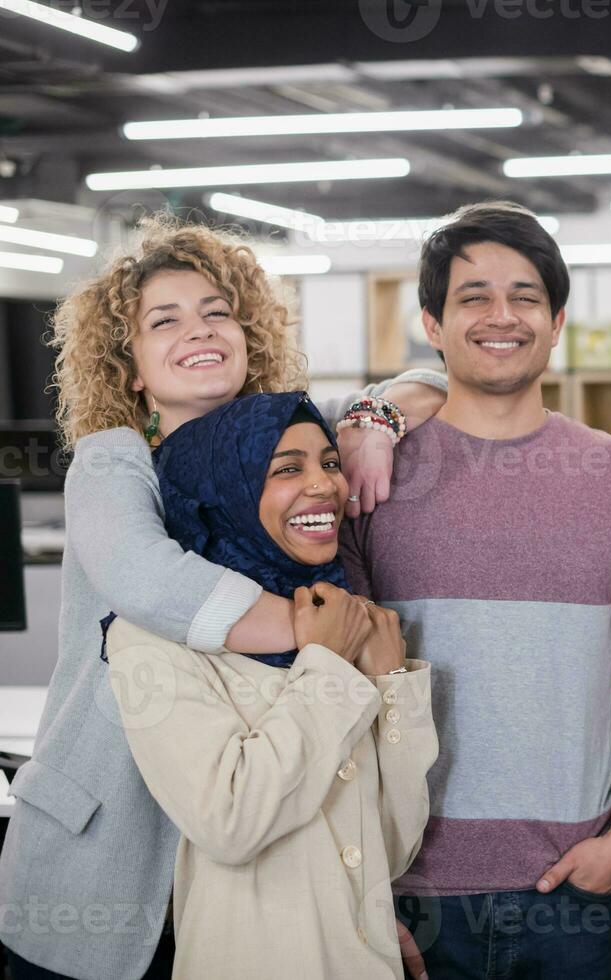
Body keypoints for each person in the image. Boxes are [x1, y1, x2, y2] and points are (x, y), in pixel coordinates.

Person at [0, 216, 443, 980]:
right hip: (108, 849)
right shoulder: (115, 463)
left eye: (216, 312)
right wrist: (325, 634)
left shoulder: (281, 438)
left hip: (250, 864)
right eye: (163, 321)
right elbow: (148, 580)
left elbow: (433, 382)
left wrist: (371, 423)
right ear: (130, 366)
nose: (197, 331)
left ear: (249, 337)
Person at [340, 200, 611, 980]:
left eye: (525, 297)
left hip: (568, 886)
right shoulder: (373, 476)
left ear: (558, 319)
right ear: (431, 323)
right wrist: (357, 884)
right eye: (474, 298)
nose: (503, 317)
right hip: (406, 890)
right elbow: (337, 692)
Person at [104, 391, 436, 979]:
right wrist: (329, 666)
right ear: (221, 492)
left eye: (330, 463)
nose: (324, 485)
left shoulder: (341, 612)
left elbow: (390, 843)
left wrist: (391, 684)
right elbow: (231, 824)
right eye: (286, 468)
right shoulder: (151, 641)